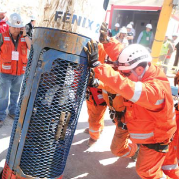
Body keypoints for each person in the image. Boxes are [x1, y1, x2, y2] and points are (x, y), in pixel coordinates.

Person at [84, 23, 179, 179]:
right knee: (120, 150)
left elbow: (127, 87)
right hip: (138, 128)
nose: (123, 75)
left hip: (154, 140)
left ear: (140, 70)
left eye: (126, 73)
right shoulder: (144, 69)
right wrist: (107, 41)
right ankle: (136, 152)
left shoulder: (155, 90)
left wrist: (98, 67)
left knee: (146, 172)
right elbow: (124, 55)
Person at [0, 13, 32, 128]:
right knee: (3, 95)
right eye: (13, 27)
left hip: (19, 73)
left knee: (15, 94)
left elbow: (31, 47)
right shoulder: (2, 36)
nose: (16, 29)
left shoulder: (24, 37)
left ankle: (12, 112)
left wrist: (25, 35)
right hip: (5, 73)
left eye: (18, 27)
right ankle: (1, 116)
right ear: (9, 26)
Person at [85, 43, 107, 147]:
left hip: (100, 93)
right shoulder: (90, 46)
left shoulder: (102, 48)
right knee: (91, 112)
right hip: (91, 92)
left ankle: (94, 137)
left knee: (95, 118)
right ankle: (98, 129)